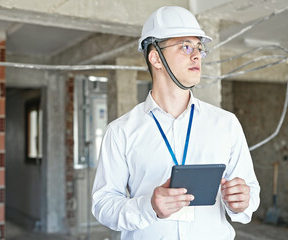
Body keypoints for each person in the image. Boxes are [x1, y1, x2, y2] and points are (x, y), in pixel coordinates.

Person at [91, 6, 260, 240]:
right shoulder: (121, 131)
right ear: (156, 58)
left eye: (200, 48)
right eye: (186, 46)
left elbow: (250, 190)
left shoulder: (226, 124)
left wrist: (242, 201)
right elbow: (103, 205)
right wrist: (148, 207)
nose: (197, 55)